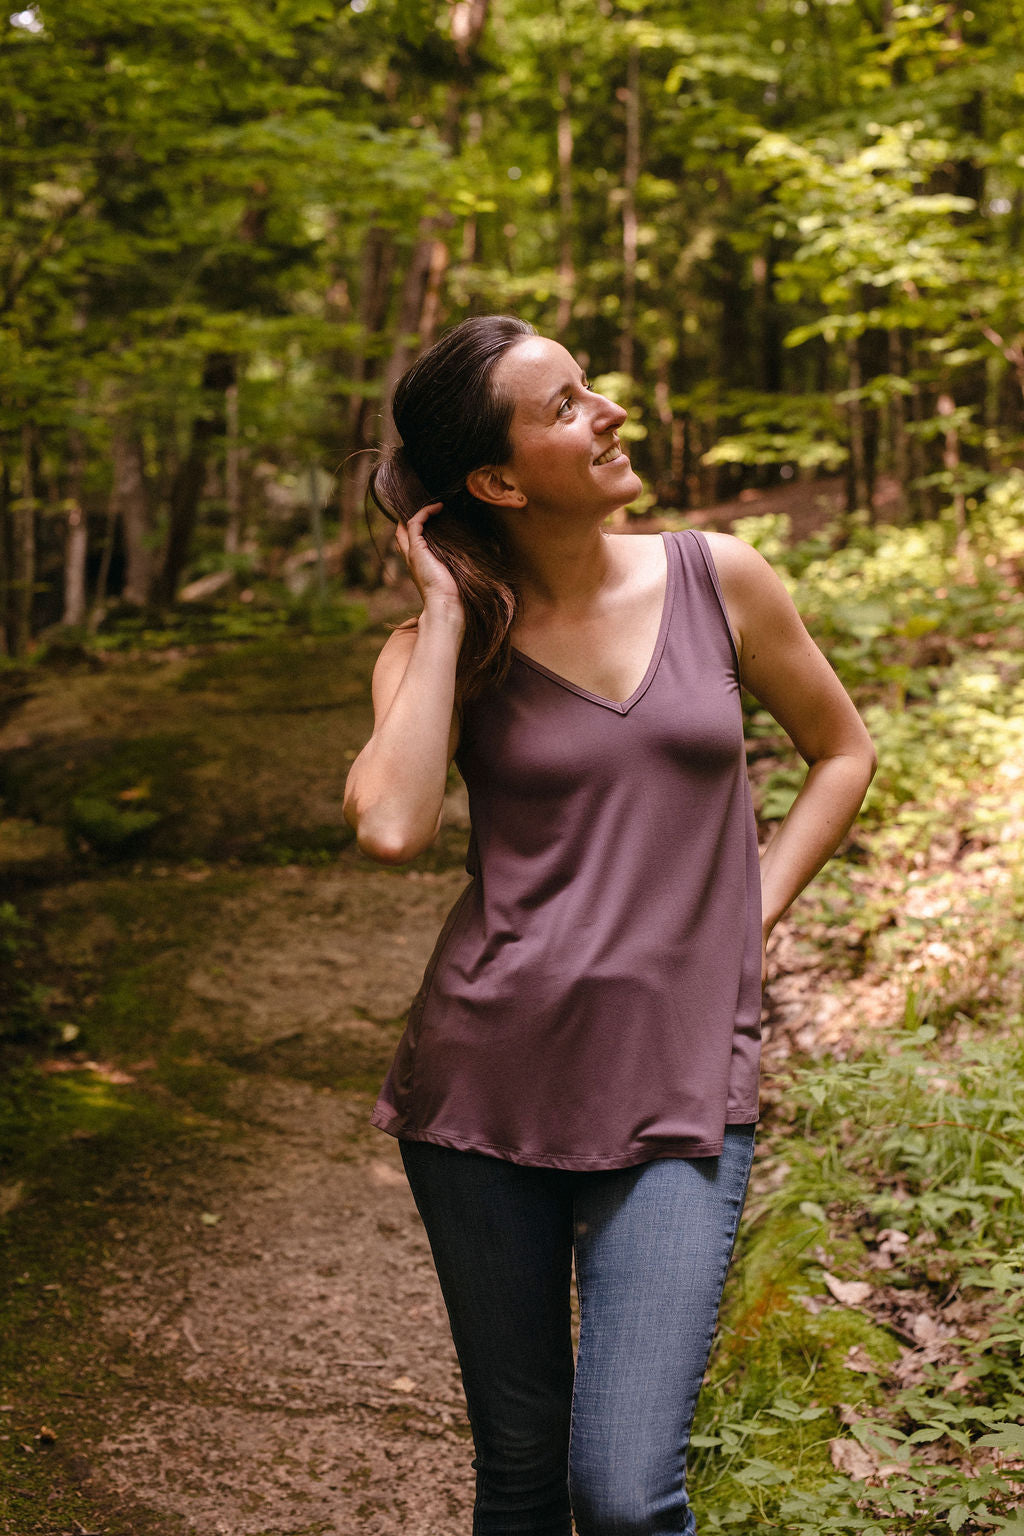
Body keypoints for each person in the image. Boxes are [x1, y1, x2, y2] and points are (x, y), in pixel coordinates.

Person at [343, 314, 876, 1536]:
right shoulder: (439, 649)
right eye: (567, 405)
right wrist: (438, 613)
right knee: (521, 1486)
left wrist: (751, 913)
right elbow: (390, 826)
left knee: (627, 1497)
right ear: (495, 479)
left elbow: (841, 752)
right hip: (484, 1087)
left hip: (682, 1072)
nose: (608, 412)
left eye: (591, 390)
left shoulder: (719, 575)